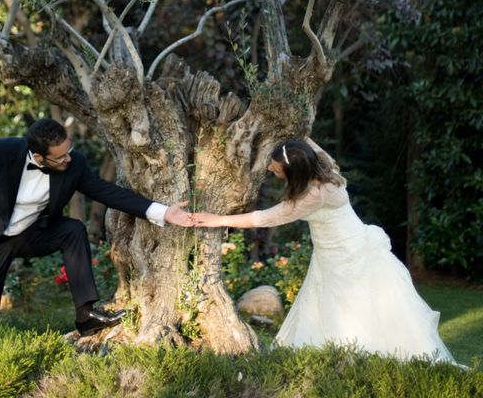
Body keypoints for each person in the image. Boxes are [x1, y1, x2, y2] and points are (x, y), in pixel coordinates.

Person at [192, 138, 456, 364]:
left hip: (345, 258)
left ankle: (364, 358)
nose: (270, 168)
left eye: (275, 168)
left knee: (353, 308)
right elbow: (312, 148)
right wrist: (300, 136)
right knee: (354, 306)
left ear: (295, 172)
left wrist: (217, 220)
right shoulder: (327, 169)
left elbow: (263, 218)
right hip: (354, 246)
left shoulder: (310, 199)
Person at [0, 118, 193, 336]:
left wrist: (162, 212)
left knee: (73, 230)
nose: (68, 158)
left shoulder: (73, 164)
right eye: (61, 156)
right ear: (38, 157)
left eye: (69, 151)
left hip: (30, 234)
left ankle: (85, 316)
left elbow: (108, 193)